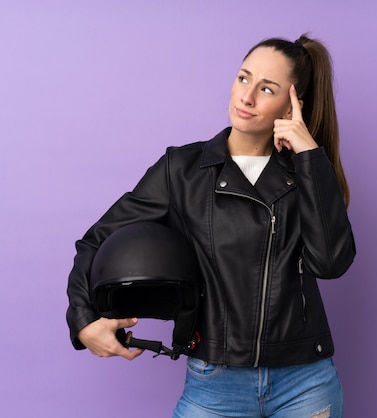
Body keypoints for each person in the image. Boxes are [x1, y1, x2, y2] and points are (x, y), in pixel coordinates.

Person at [66, 34, 356, 417]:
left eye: (266, 88)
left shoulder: (308, 174)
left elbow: (331, 264)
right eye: (243, 78)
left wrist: (311, 159)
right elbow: (96, 241)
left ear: (291, 106)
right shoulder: (181, 171)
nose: (246, 97)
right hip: (215, 382)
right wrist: (84, 320)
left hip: (305, 382)